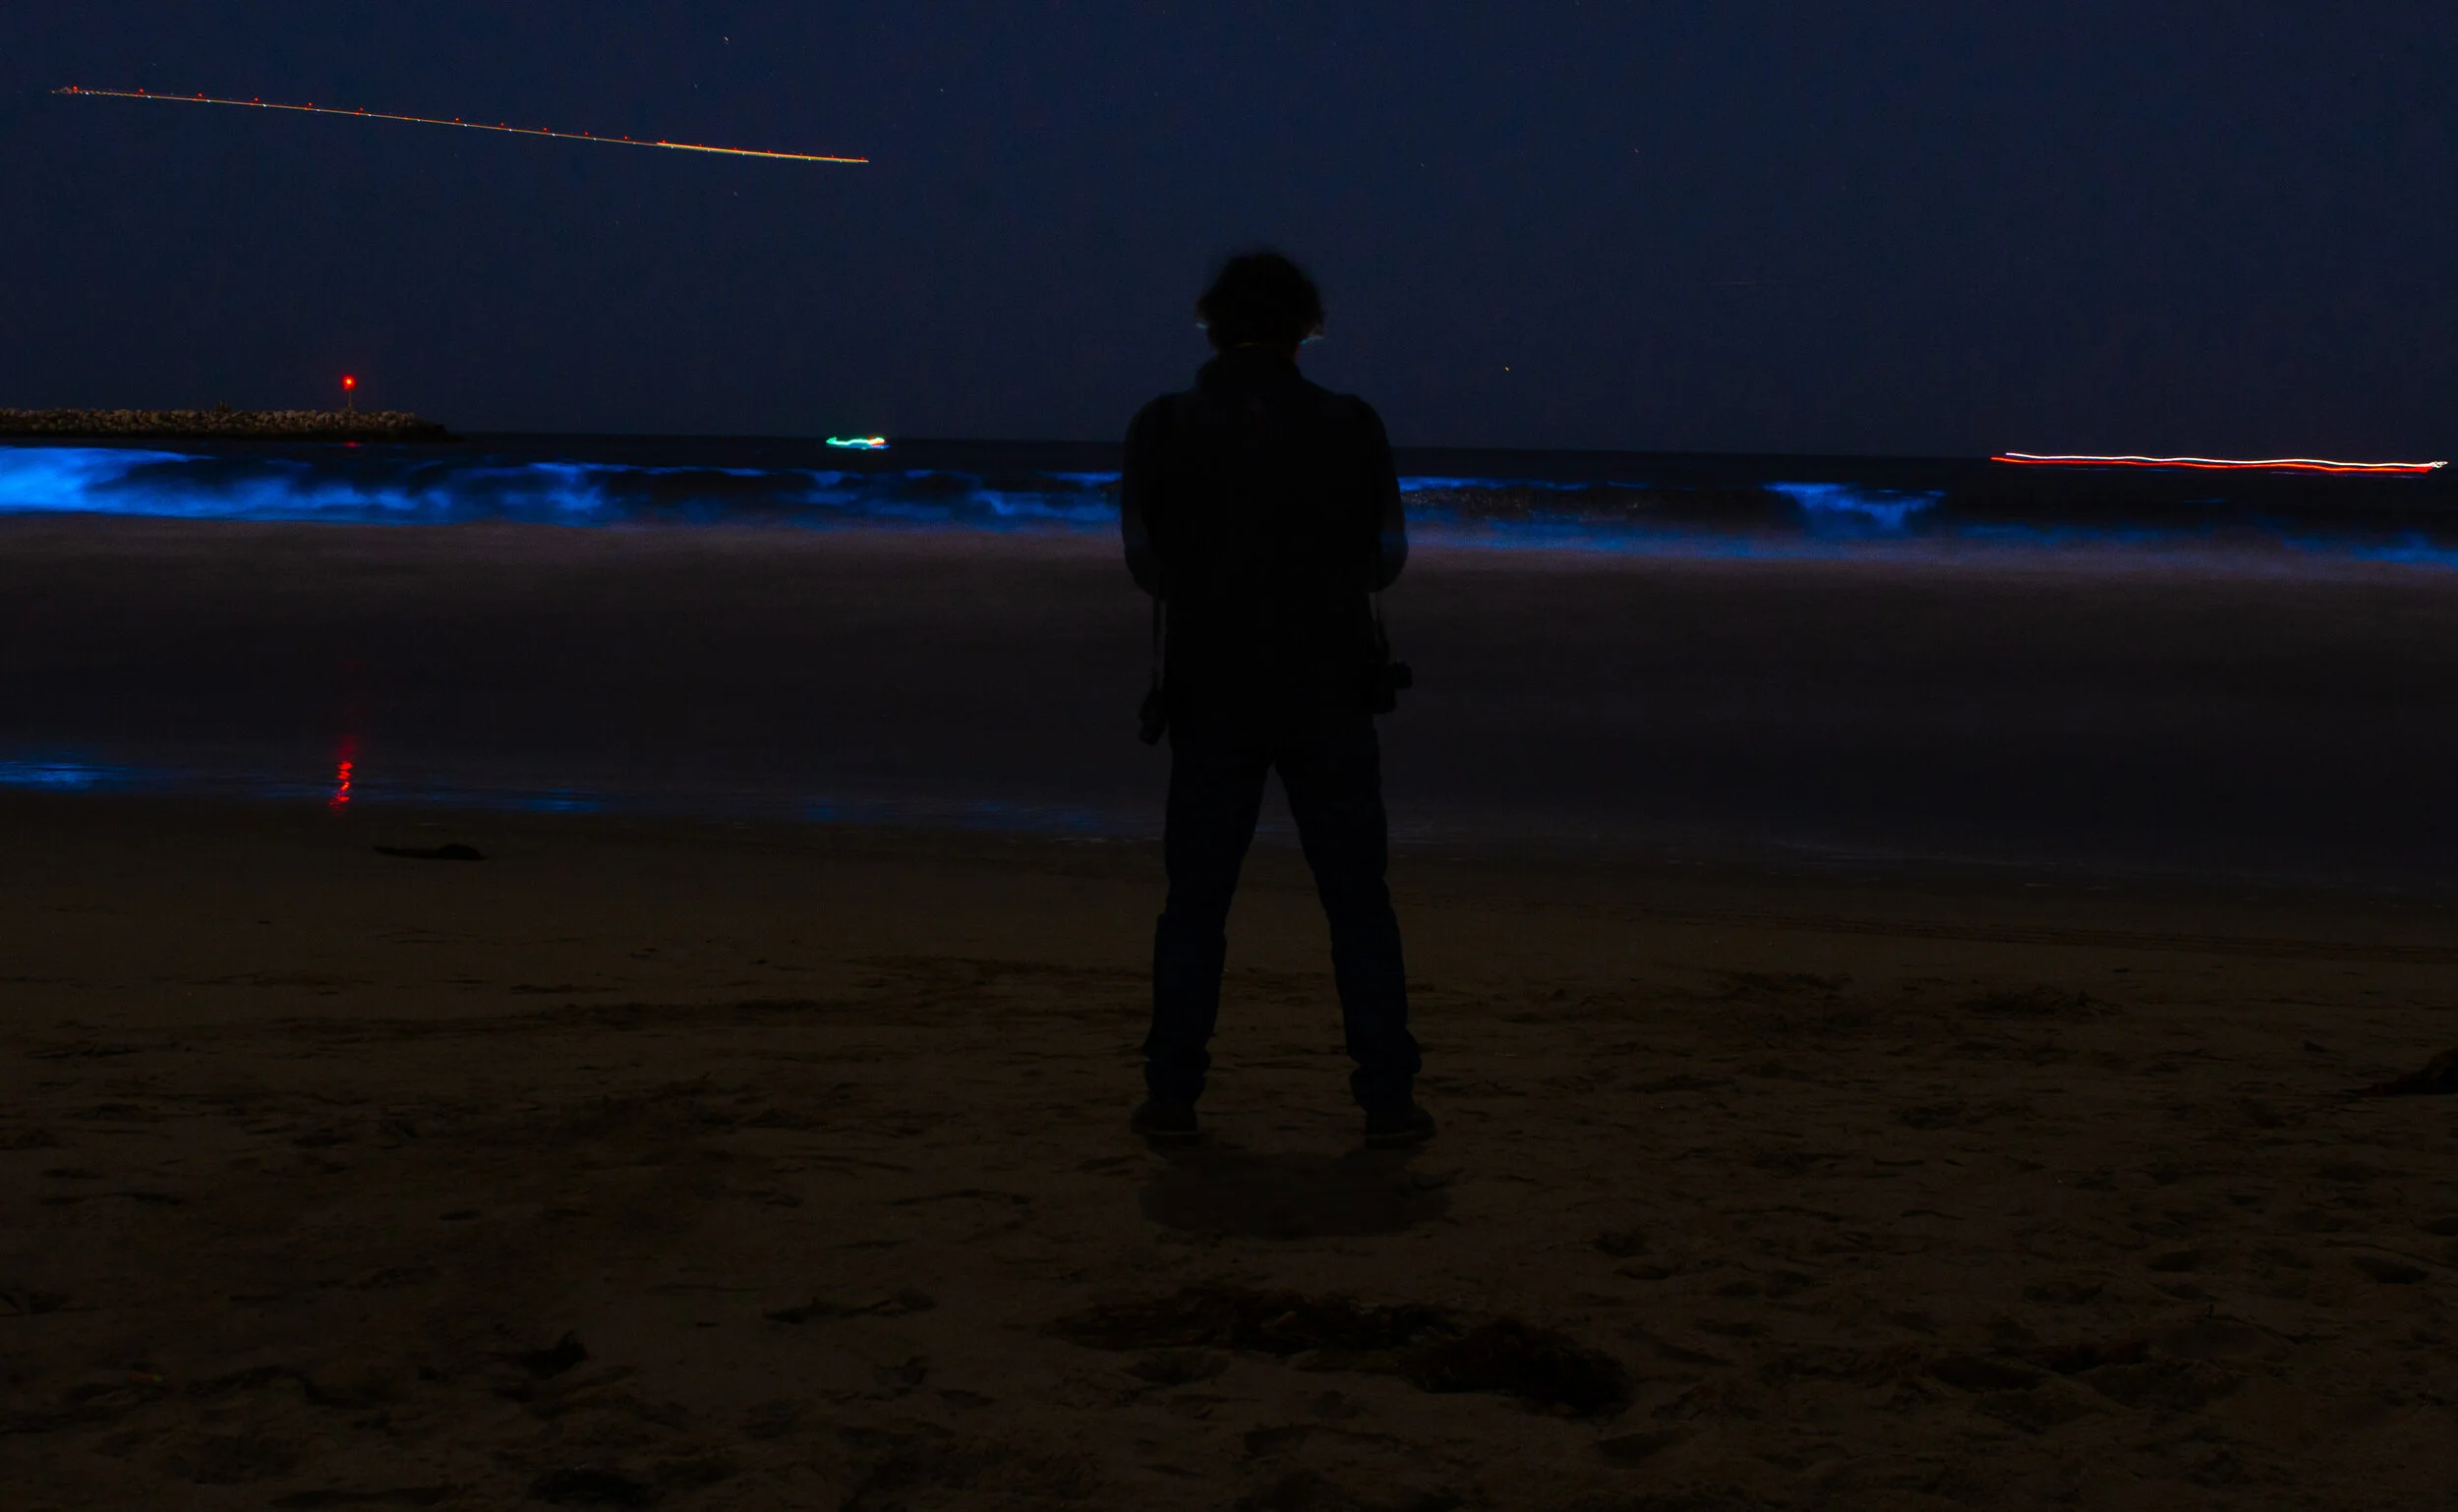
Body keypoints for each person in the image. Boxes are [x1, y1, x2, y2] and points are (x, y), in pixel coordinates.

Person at [1120, 250, 1434, 1150]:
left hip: (1211, 686)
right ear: (1306, 328)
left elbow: (1146, 566)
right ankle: (1387, 1098)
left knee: (1195, 903)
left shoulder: (1163, 425)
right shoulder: (1350, 423)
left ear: (1213, 325)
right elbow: (1386, 561)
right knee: (1358, 902)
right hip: (1329, 685)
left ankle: (1174, 1094)